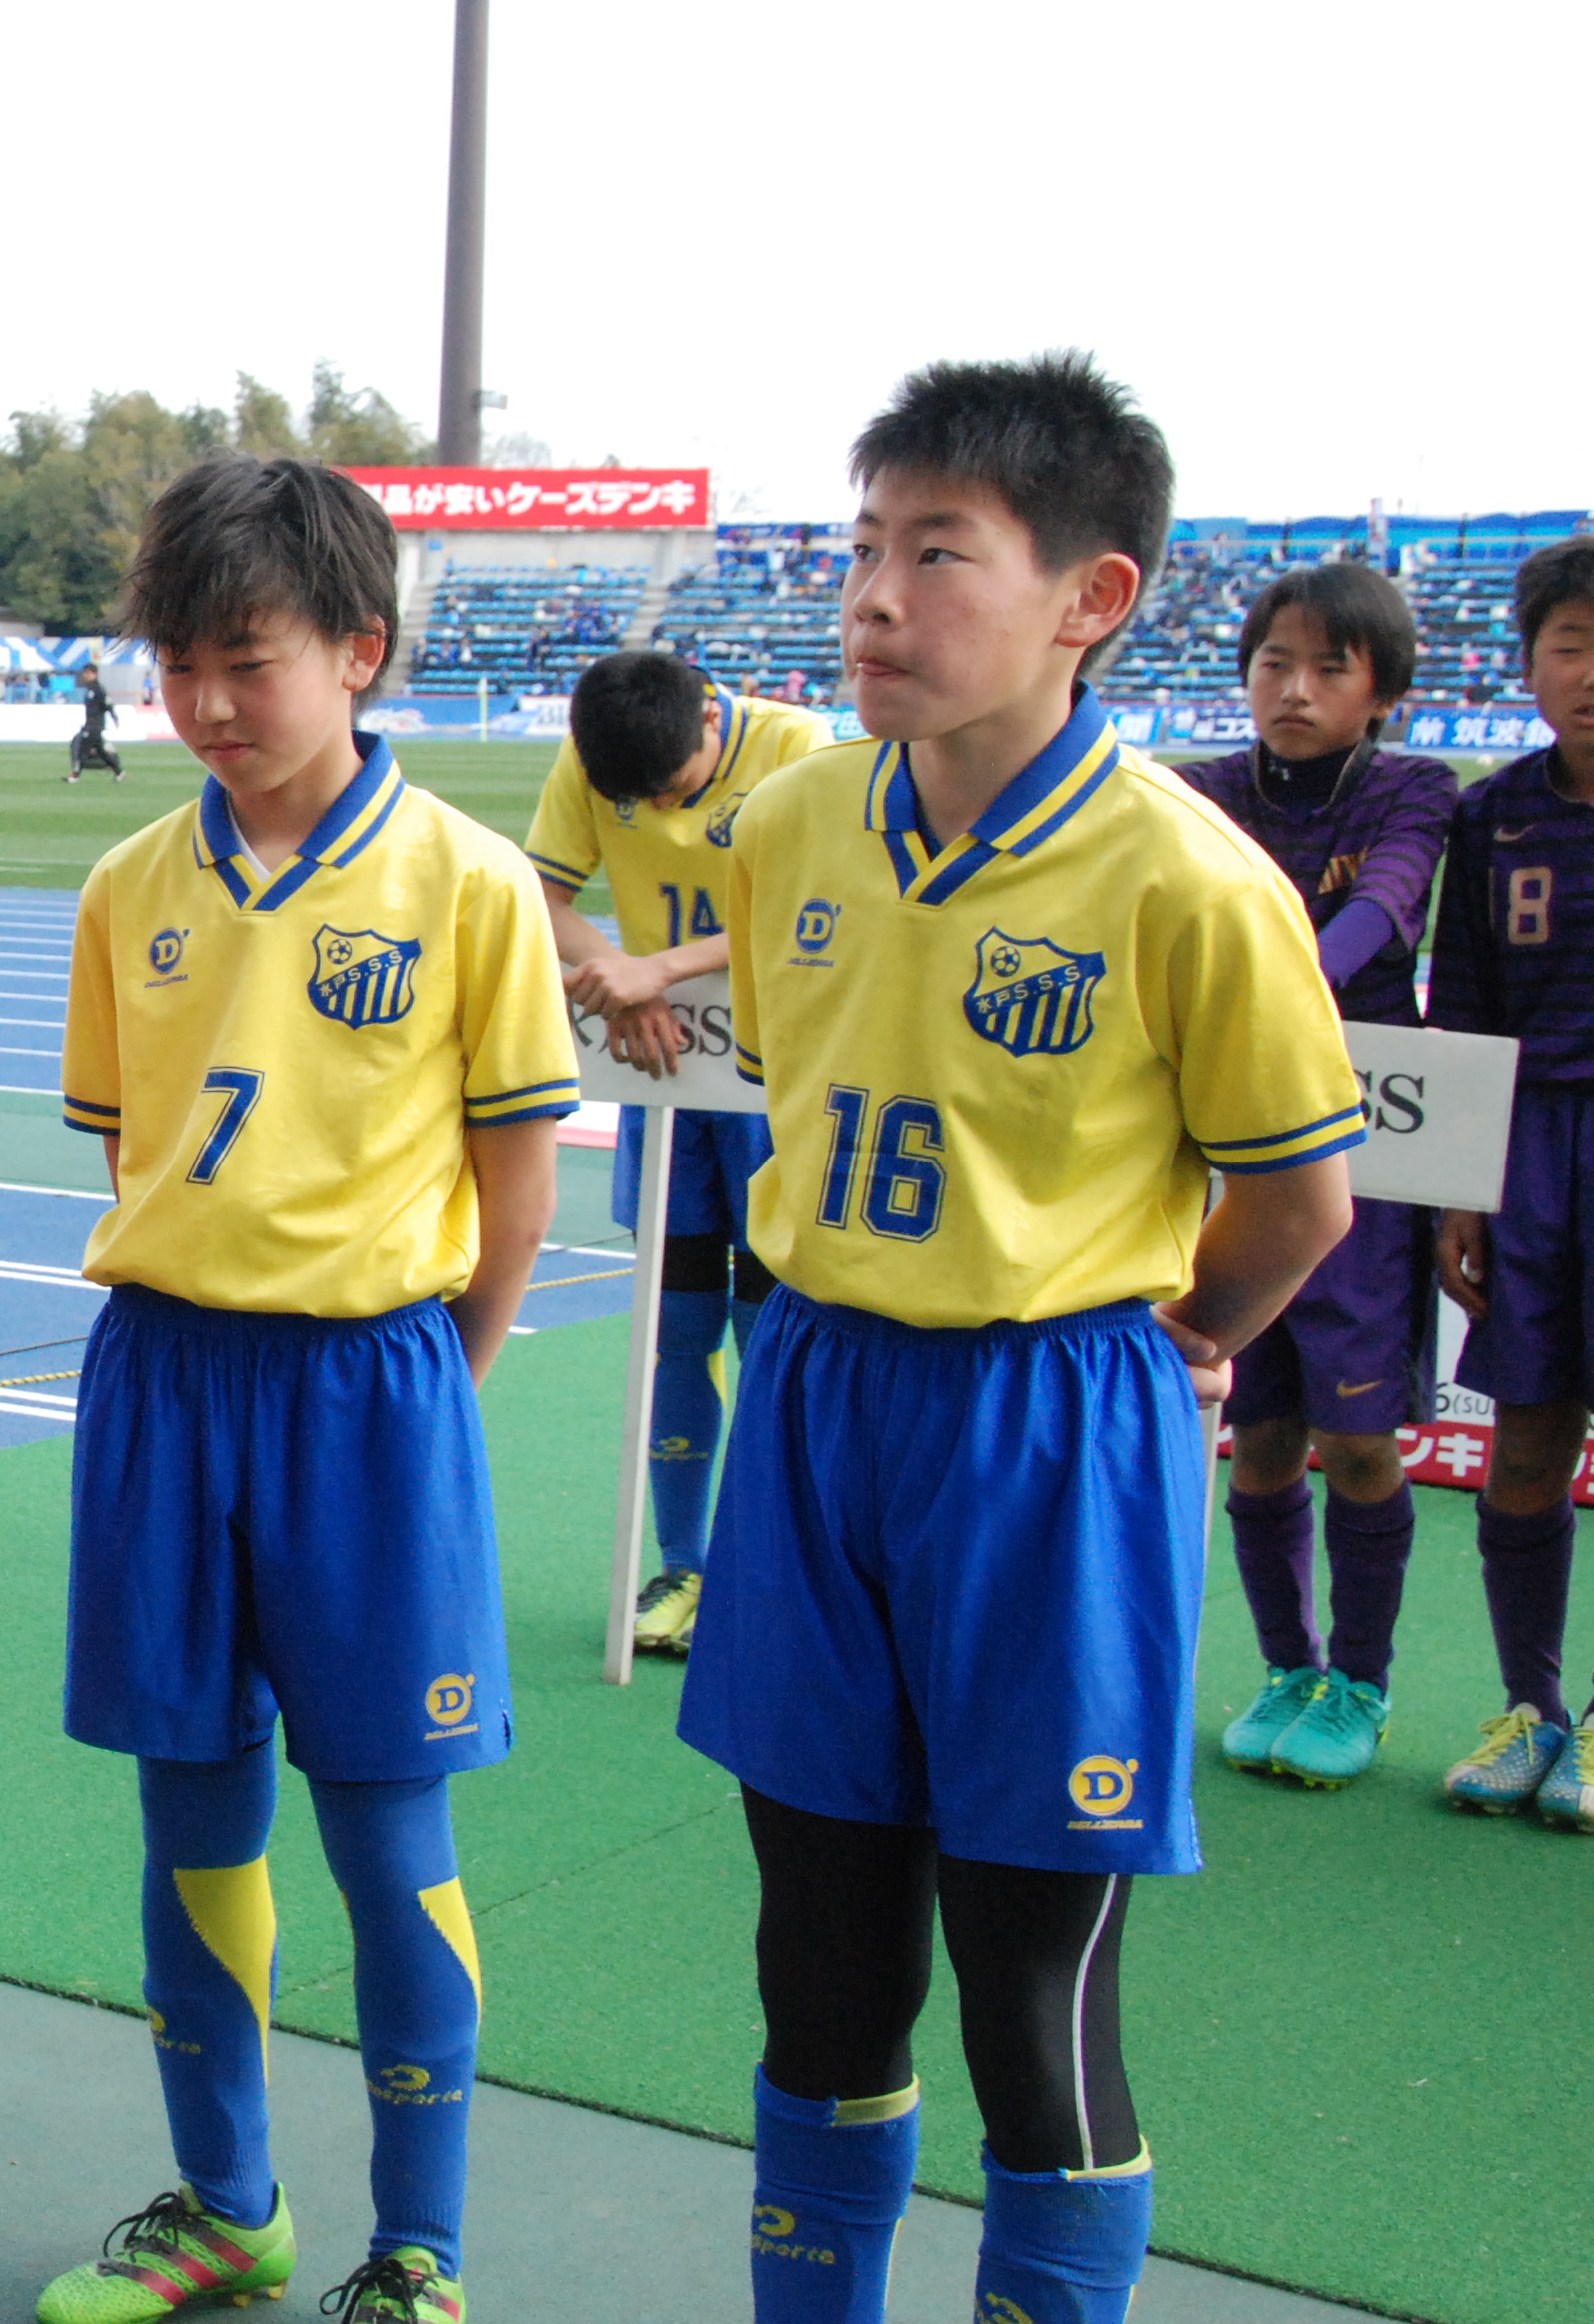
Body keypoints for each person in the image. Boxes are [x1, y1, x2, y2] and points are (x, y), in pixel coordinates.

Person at [685, 354, 1359, 2324]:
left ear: (1092, 598)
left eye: (938, 552)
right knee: (816, 1963)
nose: (873, 596)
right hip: (816, 1409)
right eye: (862, 546)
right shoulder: (791, 828)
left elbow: (1299, 1202)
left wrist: (1186, 1336)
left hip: (1050, 1427)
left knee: (1027, 1992)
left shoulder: (1185, 879)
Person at [37, 456, 571, 2324]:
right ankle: (227, 2202)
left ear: (359, 649)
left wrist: (437, 1377)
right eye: (177, 659)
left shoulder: (468, 881)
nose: (203, 700)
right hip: (167, 1384)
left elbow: (517, 1177)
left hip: (373, 1392)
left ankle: (414, 2246)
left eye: (245, 658)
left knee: (384, 1832)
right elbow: (130, 1153)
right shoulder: (127, 883)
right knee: (190, 1814)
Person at [1181, 564, 1457, 1789]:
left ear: (1380, 692)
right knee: (1259, 1436)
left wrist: (1261, 984)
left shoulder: (1411, 789)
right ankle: (1290, 1668)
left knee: (1356, 1441)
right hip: (1227, 1156)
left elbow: (1383, 915)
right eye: (1271, 664)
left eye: (1326, 669)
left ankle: (1362, 1680)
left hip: (1359, 1160)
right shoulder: (1198, 791)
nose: (1290, 691)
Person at [526, 649, 830, 1657]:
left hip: (772, 1081)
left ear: (711, 714)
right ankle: (681, 1564)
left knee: (771, 1336)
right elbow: (539, 893)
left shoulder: (796, 748)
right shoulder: (588, 756)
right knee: (675, 1326)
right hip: (666, 1083)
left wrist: (655, 963)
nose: (657, 811)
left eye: (674, 787)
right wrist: (615, 968)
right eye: (636, 801)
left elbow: (810, 915)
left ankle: (770, 1569)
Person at [1426, 535, 1594, 1827]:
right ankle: (1529, 1711)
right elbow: (1467, 1009)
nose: (1591, 672)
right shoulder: (1495, 816)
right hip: (1529, 1146)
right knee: (1525, 1440)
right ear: (1529, 663)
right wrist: (1459, 1191)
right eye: (1572, 643)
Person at [66, 667, 124, 781]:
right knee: (101, 751)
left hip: (95, 725)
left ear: (95, 674)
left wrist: (114, 717)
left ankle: (75, 775)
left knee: (83, 748)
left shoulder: (98, 689)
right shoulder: (89, 689)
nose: (85, 675)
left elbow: (108, 704)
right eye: (85, 673)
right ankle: (119, 772)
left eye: (88, 673)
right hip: (91, 724)